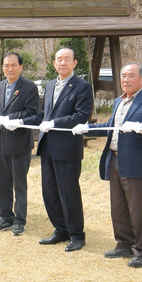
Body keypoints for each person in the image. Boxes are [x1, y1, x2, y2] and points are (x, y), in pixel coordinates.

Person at [82, 62, 142, 268]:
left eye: (131, 76)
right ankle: (124, 243)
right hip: (115, 159)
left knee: (139, 208)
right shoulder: (119, 101)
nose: (126, 80)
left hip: (137, 162)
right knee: (118, 207)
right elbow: (110, 126)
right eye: (123, 76)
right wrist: (87, 128)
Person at [36, 46, 94, 250]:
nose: (62, 62)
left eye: (67, 59)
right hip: (48, 146)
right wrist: (18, 121)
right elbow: (44, 114)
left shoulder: (82, 86)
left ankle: (77, 234)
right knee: (49, 191)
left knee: (68, 192)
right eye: (59, 59)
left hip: (67, 148)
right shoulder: (51, 85)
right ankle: (60, 229)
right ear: (54, 63)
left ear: (74, 63)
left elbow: (81, 115)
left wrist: (55, 123)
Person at [0, 51, 41, 235]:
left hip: (19, 143)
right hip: (0, 142)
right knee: (2, 183)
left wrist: (11, 118)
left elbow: (33, 112)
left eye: (13, 65)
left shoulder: (29, 87)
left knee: (19, 184)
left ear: (21, 67)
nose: (9, 69)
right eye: (6, 65)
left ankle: (19, 220)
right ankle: (5, 217)